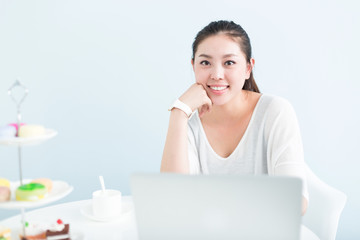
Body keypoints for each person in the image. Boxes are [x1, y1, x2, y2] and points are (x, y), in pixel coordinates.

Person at [160, 20, 308, 215]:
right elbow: (171, 201)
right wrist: (179, 112)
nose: (217, 74)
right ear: (193, 66)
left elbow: (295, 203)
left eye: (229, 62)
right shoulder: (187, 124)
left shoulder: (275, 112)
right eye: (205, 62)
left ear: (248, 68)